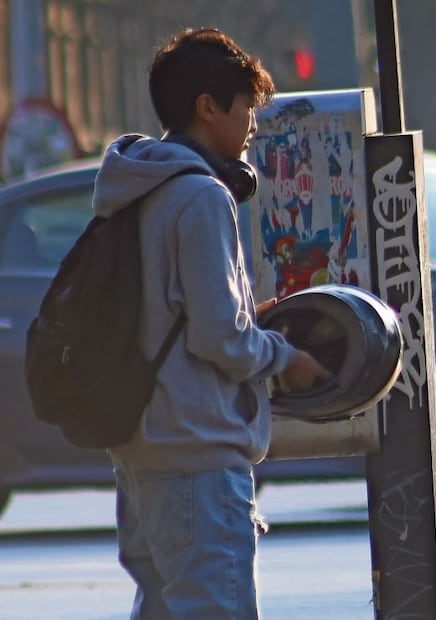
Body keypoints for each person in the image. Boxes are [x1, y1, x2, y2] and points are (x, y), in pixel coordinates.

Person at [95, 28, 331, 618]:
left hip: (142, 454)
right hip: (196, 459)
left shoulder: (137, 186)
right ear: (208, 107)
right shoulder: (201, 196)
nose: (253, 125)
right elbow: (219, 337)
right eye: (247, 108)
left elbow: (174, 314)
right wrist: (286, 357)